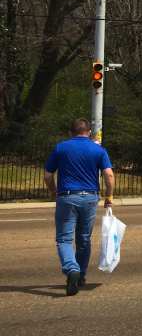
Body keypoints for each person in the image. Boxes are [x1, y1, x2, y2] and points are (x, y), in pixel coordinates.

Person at [42, 118, 115, 296]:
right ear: (89, 132)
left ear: (70, 132)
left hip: (67, 197)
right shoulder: (98, 150)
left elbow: (47, 176)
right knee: (83, 239)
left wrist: (54, 192)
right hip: (90, 197)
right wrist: (109, 195)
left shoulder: (61, 148)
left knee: (64, 239)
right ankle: (80, 275)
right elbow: (109, 175)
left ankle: (71, 268)